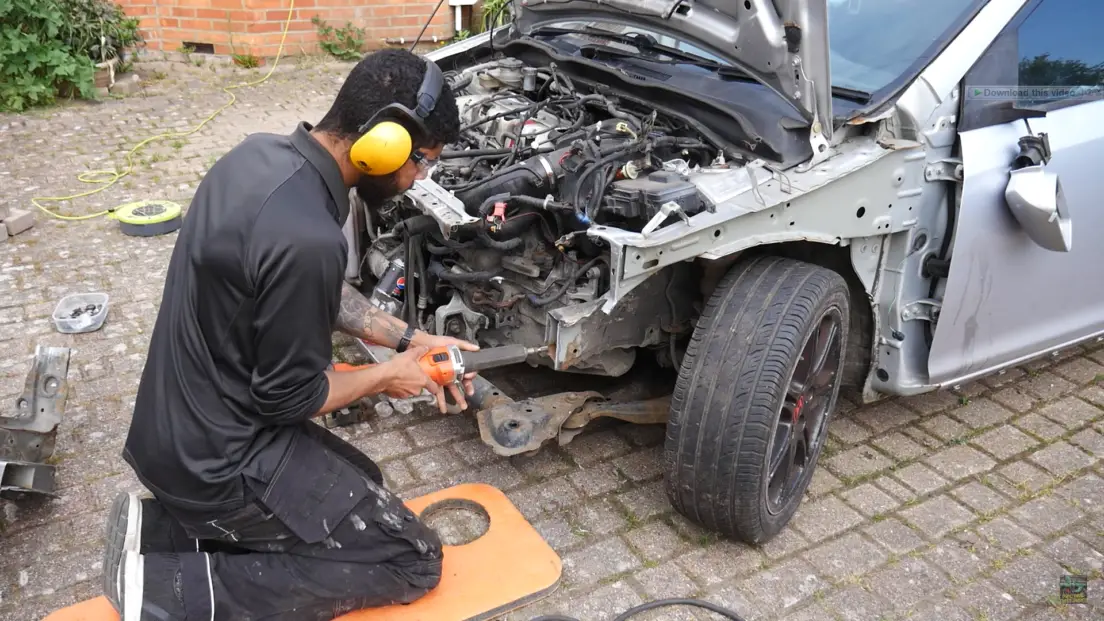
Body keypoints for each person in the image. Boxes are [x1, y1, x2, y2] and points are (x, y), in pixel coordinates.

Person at [102, 48, 476, 621]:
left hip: (176, 431)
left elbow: (316, 293)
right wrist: (387, 377)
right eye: (421, 162)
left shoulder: (257, 157)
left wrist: (410, 341)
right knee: (411, 558)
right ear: (385, 142)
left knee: (365, 481)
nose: (417, 180)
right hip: (218, 463)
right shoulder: (309, 240)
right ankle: (163, 589)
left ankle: (161, 530)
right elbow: (289, 397)